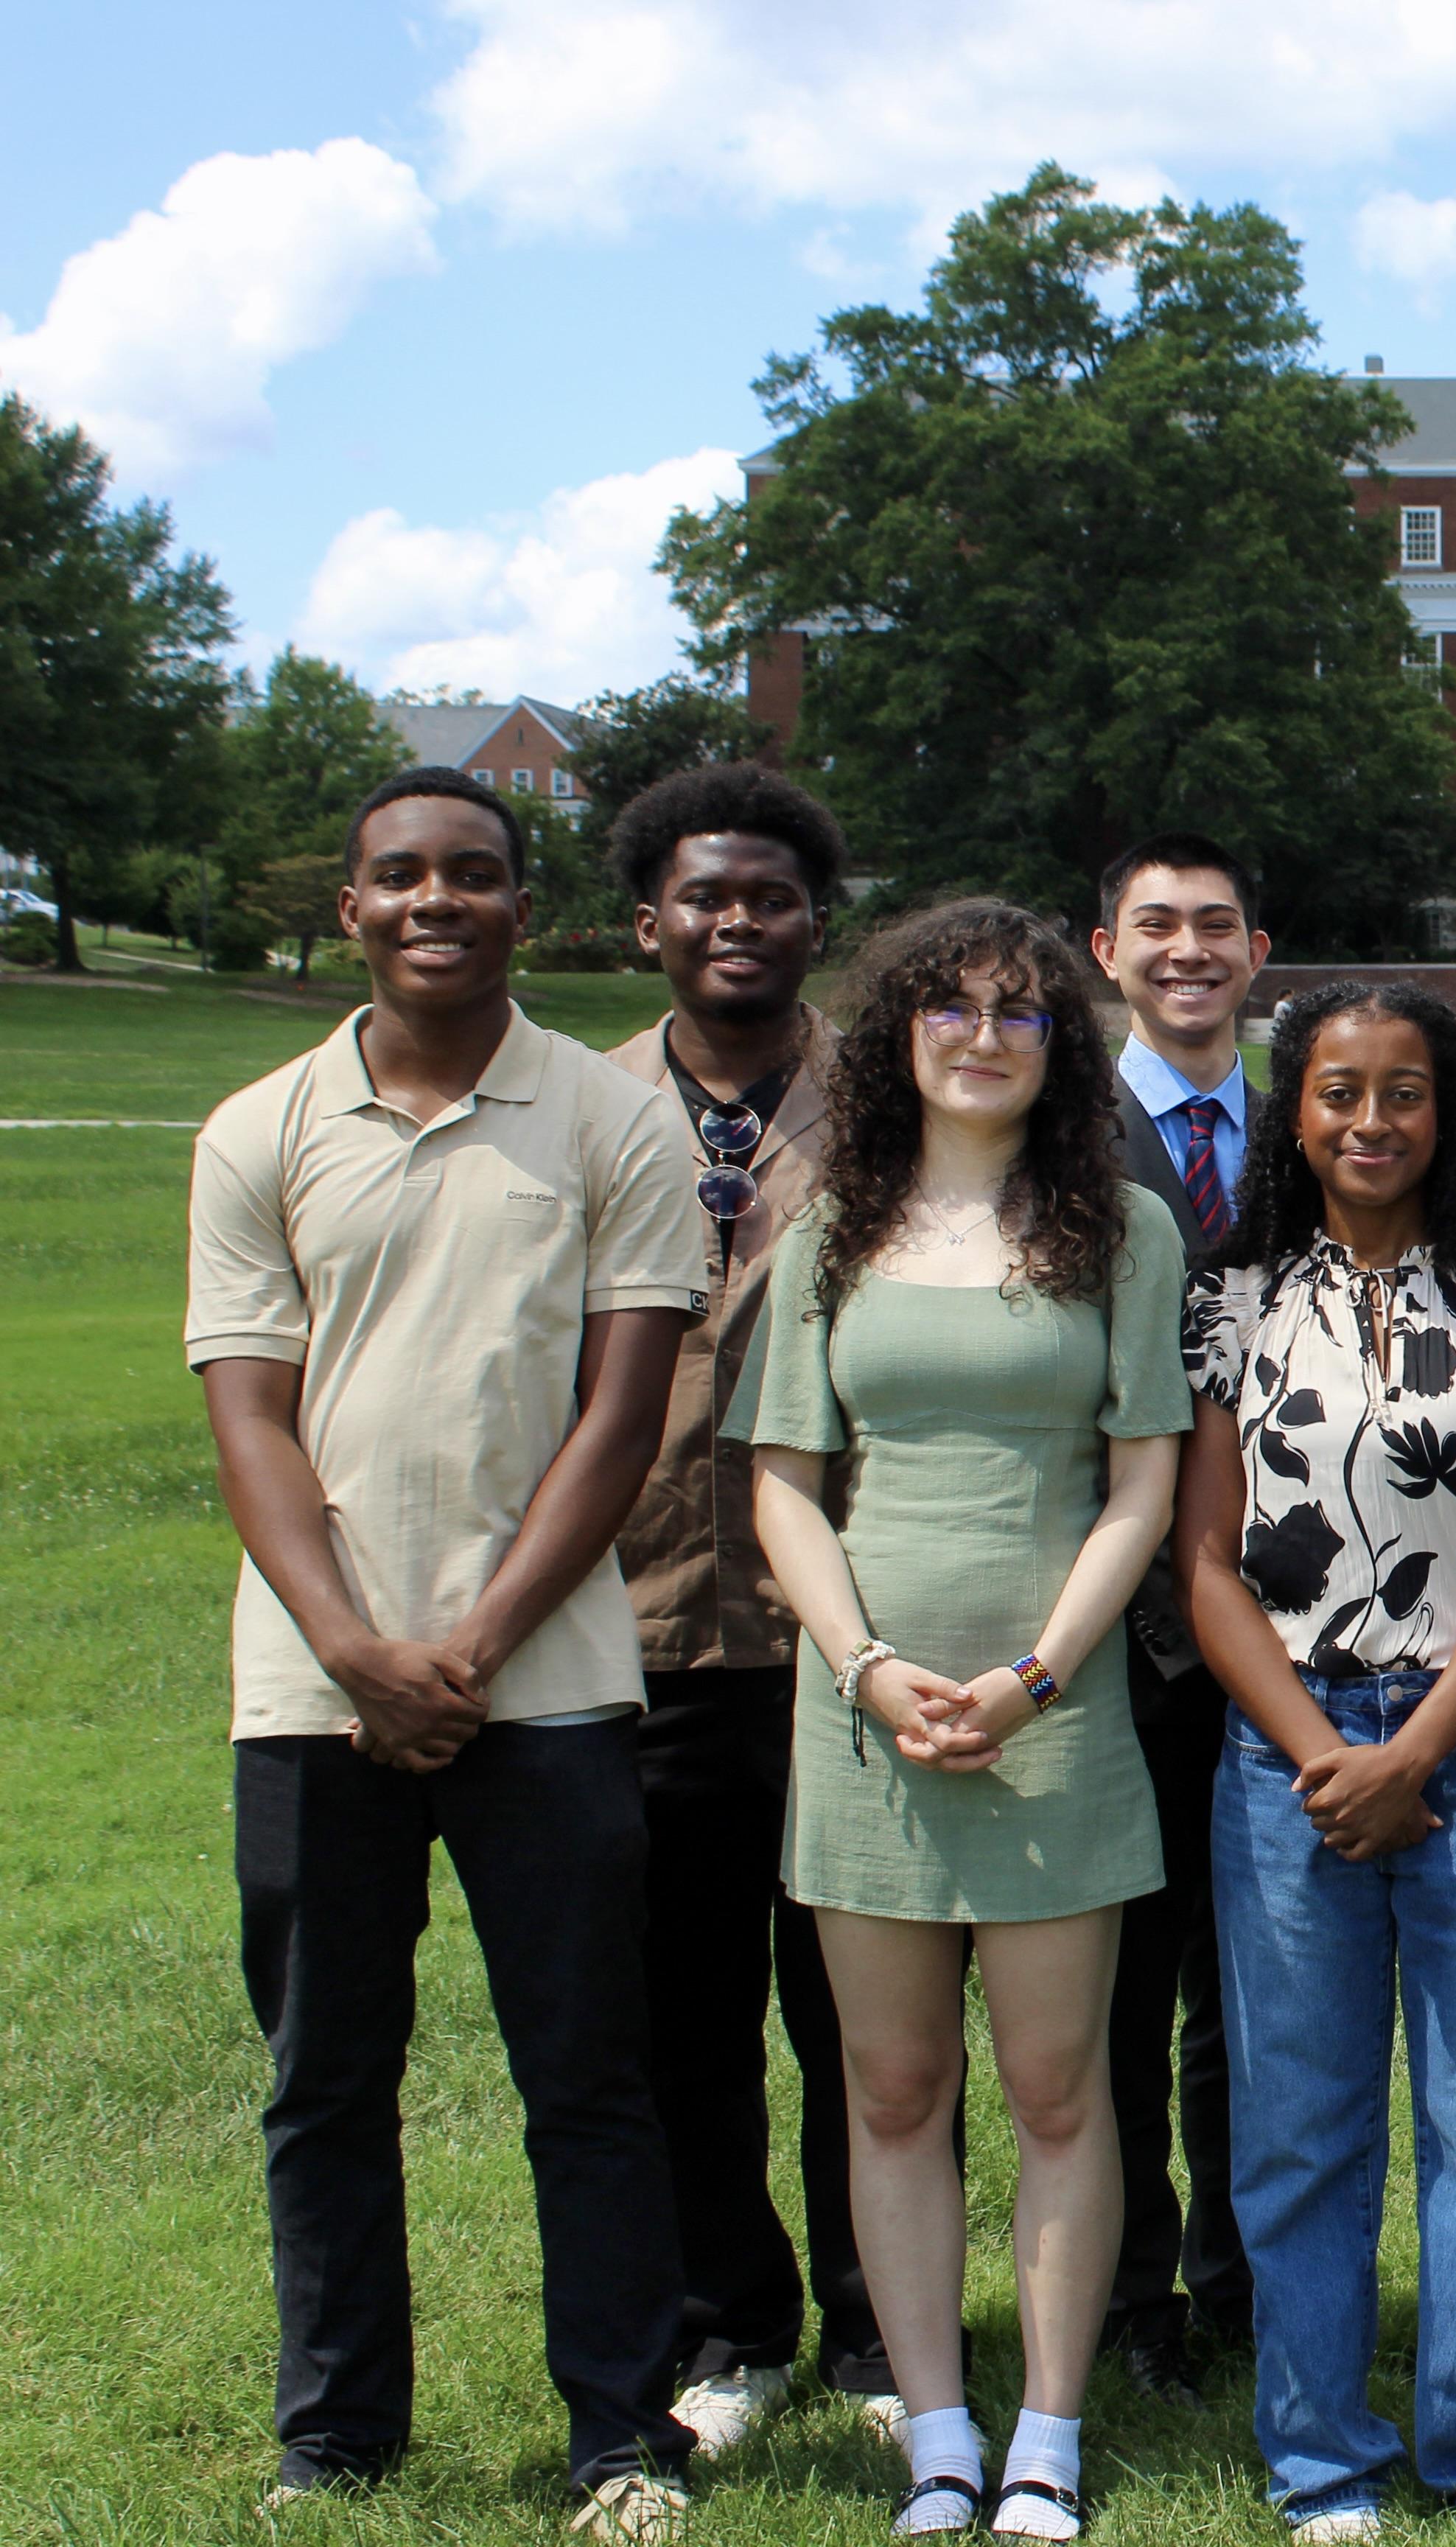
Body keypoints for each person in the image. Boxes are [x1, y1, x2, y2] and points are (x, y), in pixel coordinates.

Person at [190, 766, 705, 2540]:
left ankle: (618, 2433)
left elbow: (624, 1410)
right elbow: (250, 1416)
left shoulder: (609, 1122)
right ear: (350, 906)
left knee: (588, 2068)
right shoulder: (260, 1124)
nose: (437, 901)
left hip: (548, 1680)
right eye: (400, 874)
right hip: (308, 1687)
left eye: (473, 875)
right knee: (325, 2071)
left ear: (521, 903)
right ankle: (335, 2432)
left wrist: (472, 1641)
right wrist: (355, 1644)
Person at [739, 900, 1190, 2540]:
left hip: (1050, 1714)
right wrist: (863, 1664)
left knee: (1063, 2090)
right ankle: (937, 2428)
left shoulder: (1124, 1232)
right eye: (951, 1010)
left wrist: (1035, 1678)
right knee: (893, 2086)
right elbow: (786, 1487)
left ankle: (1047, 2437)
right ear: (899, 1037)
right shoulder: (830, 1235)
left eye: (1021, 1012)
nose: (986, 1036)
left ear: (1060, 1045)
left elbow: (1143, 1486)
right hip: (862, 1713)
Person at [1179, 982, 1456, 2543]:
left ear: (1445, 1111)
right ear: (1296, 1110)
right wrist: (1322, 1756)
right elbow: (1206, 1565)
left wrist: (1416, 1747)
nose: (1369, 1121)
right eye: (1338, 1092)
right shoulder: (1231, 1306)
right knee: (1300, 2119)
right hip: (1288, 1751)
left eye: (1403, 1092)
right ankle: (1321, 2461)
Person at [598, 761, 904, 2453]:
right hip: (631, 1631)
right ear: (649, 920)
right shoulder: (572, 1109)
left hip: (847, 1633)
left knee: (860, 2010)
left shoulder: (888, 1106)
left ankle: (874, 2324)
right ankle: (731, 2320)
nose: (735, 922)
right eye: (703, 897)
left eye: (768, 896)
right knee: (678, 2010)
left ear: (814, 920)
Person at [1086, 832, 1271, 2399]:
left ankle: (1243, 2278)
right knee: (1120, 1981)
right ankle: (1129, 2294)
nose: (1188, 949)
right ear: (1109, 954)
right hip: (1112, 1626)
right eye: (1158, 925)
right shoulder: (1057, 1140)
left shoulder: (1305, 1133)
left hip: (1274, 1626)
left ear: (1255, 950)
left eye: (1215, 925)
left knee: (1252, 1985)